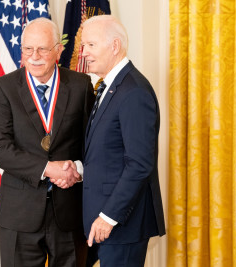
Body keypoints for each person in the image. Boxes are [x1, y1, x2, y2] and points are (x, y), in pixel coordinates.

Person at [0, 17, 95, 267]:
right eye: (28, 49)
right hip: (19, 214)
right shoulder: (4, 88)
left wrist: (76, 170)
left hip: (69, 213)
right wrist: (48, 169)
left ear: (58, 50)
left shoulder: (81, 86)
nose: (34, 56)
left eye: (43, 49)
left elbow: (92, 144)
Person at [79, 15, 166, 267]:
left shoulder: (134, 91)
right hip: (103, 222)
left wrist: (108, 217)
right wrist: (78, 167)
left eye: (91, 45)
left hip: (121, 224)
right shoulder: (111, 86)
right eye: (84, 45)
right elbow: (109, 150)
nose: (84, 53)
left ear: (114, 46)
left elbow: (139, 164)